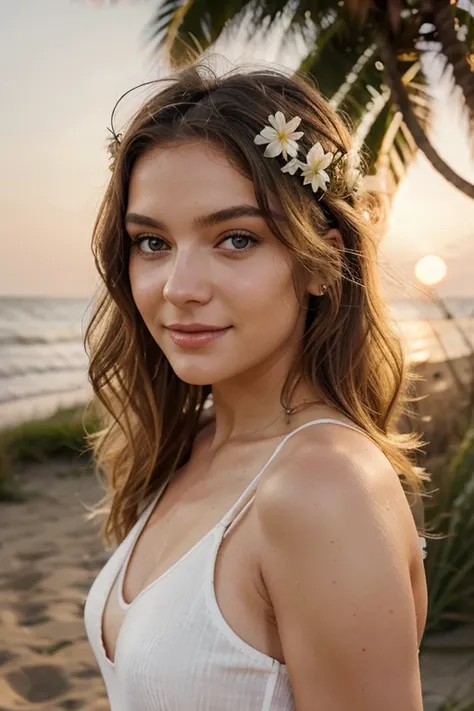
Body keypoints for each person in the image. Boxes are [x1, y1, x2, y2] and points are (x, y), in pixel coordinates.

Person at [83, 61, 428, 711]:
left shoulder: (324, 488)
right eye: (152, 241)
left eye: (235, 238)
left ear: (322, 260)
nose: (179, 287)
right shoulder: (194, 443)